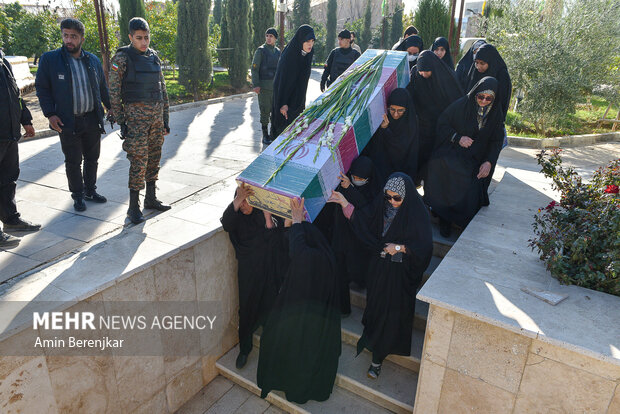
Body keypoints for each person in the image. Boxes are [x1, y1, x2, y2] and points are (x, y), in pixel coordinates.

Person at [328, 173, 433, 379]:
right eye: (388, 197)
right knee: (376, 309)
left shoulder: (417, 214)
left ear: (407, 197)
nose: (392, 202)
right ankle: (375, 344)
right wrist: (344, 202)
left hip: (399, 277)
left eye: (397, 198)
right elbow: (364, 219)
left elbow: (424, 247)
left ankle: (378, 358)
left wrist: (401, 247)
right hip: (378, 270)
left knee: (391, 315)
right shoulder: (382, 206)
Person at [257, 197, 341, 404]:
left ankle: (295, 389)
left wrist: (296, 221)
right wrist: (290, 224)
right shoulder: (322, 254)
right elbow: (293, 250)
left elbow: (298, 253)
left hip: (305, 319)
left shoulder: (308, 257)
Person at [35, 18, 111, 212]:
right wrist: (50, 114)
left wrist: (110, 107)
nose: (68, 40)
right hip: (67, 121)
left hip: (92, 119)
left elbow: (102, 88)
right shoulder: (50, 59)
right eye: (65, 35)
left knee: (92, 158)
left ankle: (90, 190)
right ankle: (77, 196)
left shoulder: (92, 60)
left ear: (81, 39)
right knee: (73, 161)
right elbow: (42, 89)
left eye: (73, 37)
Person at [108, 17, 171, 224]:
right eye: (139, 38)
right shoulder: (122, 58)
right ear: (130, 37)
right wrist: (120, 120)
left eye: (146, 37)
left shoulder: (154, 57)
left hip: (155, 120)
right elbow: (114, 92)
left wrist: (165, 119)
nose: (144, 42)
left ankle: (150, 199)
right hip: (136, 122)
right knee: (138, 161)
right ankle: (133, 208)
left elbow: (162, 89)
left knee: (154, 157)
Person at [424, 77, 504, 237]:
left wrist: (489, 161)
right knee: (449, 174)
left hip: (476, 158)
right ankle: (445, 219)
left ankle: (461, 221)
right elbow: (442, 124)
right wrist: (458, 137)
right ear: (475, 94)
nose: (483, 101)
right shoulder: (461, 105)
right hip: (453, 152)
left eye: (488, 98)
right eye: (480, 96)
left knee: (471, 187)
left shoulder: (496, 114)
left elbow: (496, 141)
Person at [221, 184, 284, 369]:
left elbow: (276, 240)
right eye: (240, 203)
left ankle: (272, 346)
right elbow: (226, 223)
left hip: (268, 271)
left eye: (247, 202)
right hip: (248, 273)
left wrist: (267, 218)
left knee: (270, 306)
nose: (244, 206)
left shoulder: (261, 214)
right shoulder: (236, 218)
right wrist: (238, 198)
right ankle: (244, 349)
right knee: (247, 310)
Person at [331, 156, 381, 314]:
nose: (357, 180)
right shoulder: (345, 183)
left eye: (361, 179)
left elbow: (368, 211)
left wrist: (351, 188)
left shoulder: (375, 190)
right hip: (343, 234)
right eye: (355, 177)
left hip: (361, 238)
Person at [0, 49, 40, 248]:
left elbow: (15, 94)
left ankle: (10, 219)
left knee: (8, 179)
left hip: (9, 134)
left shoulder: (3, 61)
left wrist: (26, 119)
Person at [407, 50, 463, 182]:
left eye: (427, 71)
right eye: (421, 71)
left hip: (440, 125)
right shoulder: (416, 73)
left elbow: (455, 102)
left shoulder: (444, 77)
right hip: (420, 125)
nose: (423, 74)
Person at [362, 88, 418, 183]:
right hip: (384, 166)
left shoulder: (411, 121)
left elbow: (402, 146)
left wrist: (386, 131)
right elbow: (376, 146)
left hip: (403, 166)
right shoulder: (383, 118)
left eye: (400, 110)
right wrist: (382, 129)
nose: (395, 114)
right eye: (392, 109)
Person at [271, 25, 315, 139]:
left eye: (312, 41)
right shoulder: (289, 56)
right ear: (301, 41)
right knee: (283, 135)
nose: (310, 44)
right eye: (307, 41)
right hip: (285, 102)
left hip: (297, 102)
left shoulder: (307, 54)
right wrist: (283, 103)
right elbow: (281, 82)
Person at [465, 43, 512, 122]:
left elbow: (502, 102)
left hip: (492, 120)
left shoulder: (502, 75)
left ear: (491, 61)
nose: (478, 66)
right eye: (476, 63)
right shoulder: (475, 71)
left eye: (482, 63)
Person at [251, 28, 281, 145]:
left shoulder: (278, 52)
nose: (268, 38)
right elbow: (254, 69)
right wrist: (256, 85)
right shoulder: (261, 51)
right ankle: (265, 134)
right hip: (263, 87)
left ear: (275, 39)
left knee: (275, 111)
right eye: (267, 36)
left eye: (271, 36)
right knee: (265, 110)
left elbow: (280, 70)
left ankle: (273, 133)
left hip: (275, 87)